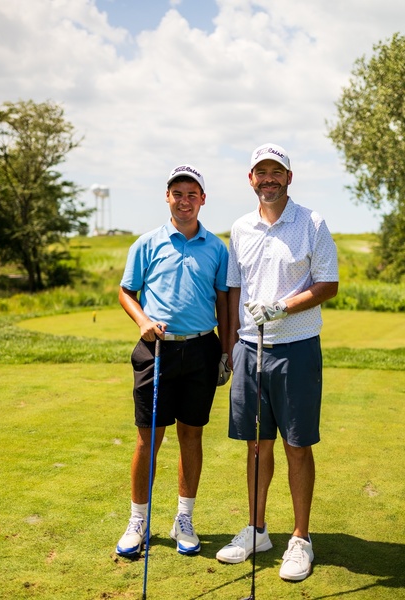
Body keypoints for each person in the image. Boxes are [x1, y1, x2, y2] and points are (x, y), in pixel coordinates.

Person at [216, 143, 339, 581]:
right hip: (250, 348)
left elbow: (328, 284)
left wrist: (282, 307)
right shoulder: (240, 228)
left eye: (276, 172)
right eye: (261, 172)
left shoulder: (312, 223)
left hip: (296, 347)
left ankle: (301, 538)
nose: (268, 179)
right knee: (256, 444)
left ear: (289, 177)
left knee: (297, 445)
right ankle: (257, 530)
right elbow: (234, 289)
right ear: (251, 179)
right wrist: (231, 346)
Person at [116, 164, 230, 558]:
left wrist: (226, 350)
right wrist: (143, 320)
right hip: (156, 349)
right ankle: (137, 521)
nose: (185, 201)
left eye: (192, 194)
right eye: (177, 193)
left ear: (203, 199)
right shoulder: (146, 244)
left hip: (201, 350)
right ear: (167, 197)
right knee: (148, 438)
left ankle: (184, 519)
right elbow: (126, 292)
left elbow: (223, 301)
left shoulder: (217, 248)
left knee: (191, 436)